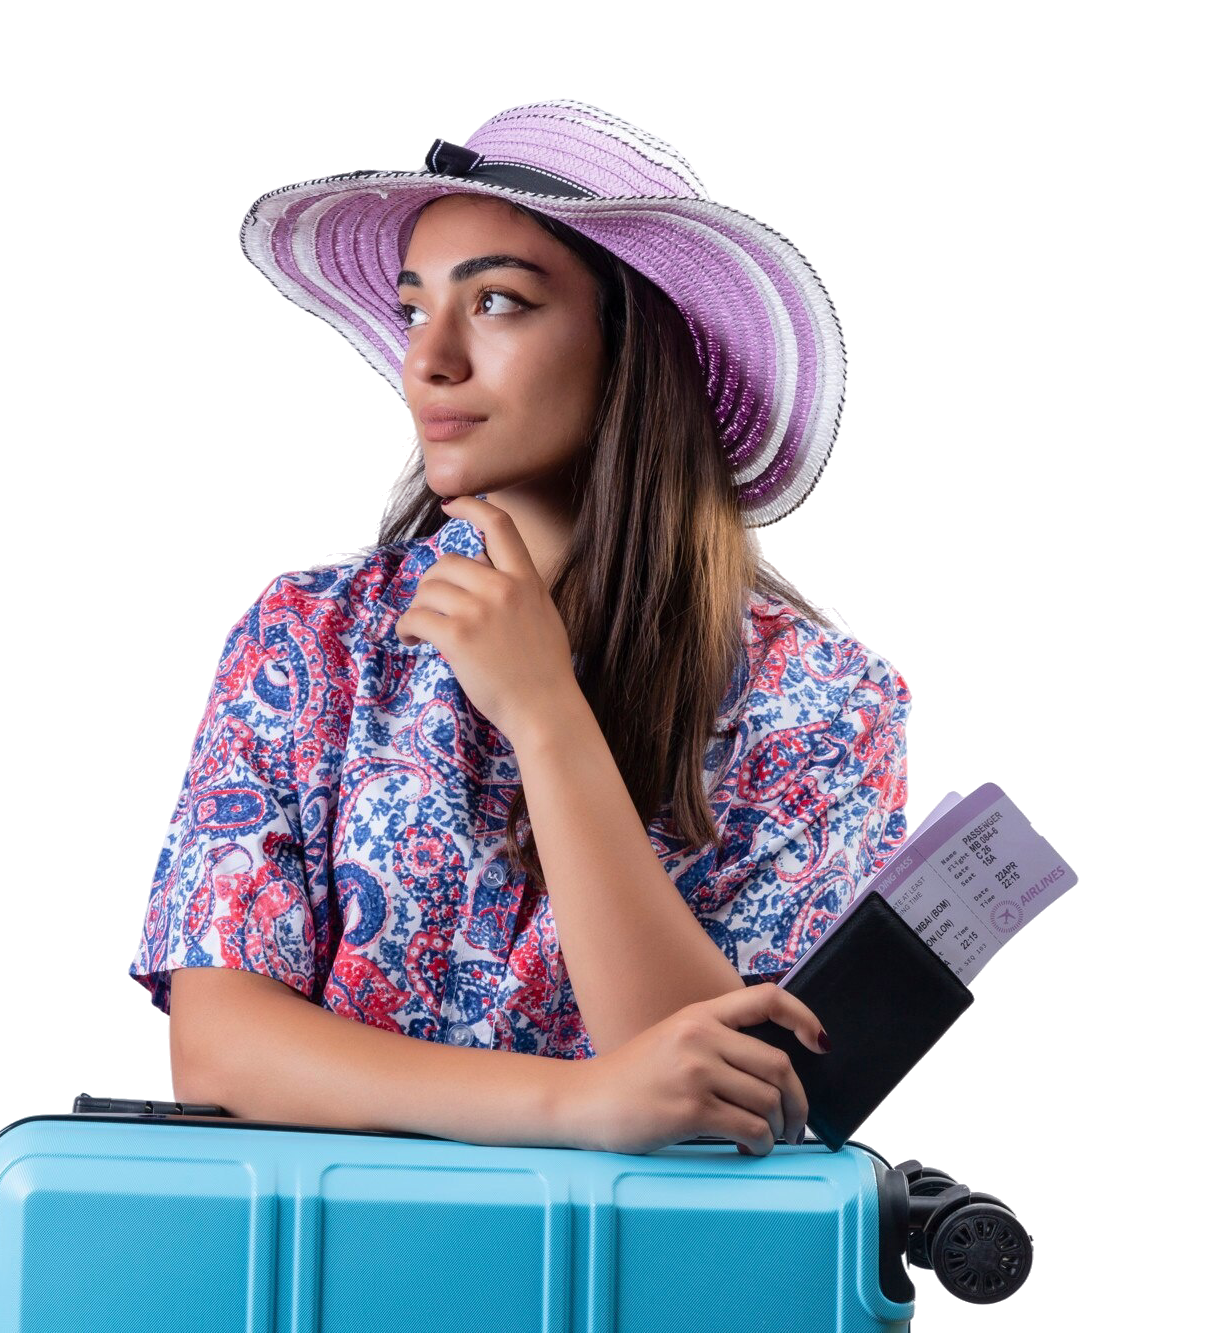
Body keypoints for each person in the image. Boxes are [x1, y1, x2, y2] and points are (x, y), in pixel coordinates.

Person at [120, 96, 916, 1157]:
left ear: (635, 341)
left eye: (495, 301)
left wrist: (545, 714)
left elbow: (744, 1097)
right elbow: (217, 1044)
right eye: (413, 310)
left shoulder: (825, 701)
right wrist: (575, 1106)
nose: (431, 359)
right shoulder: (306, 637)